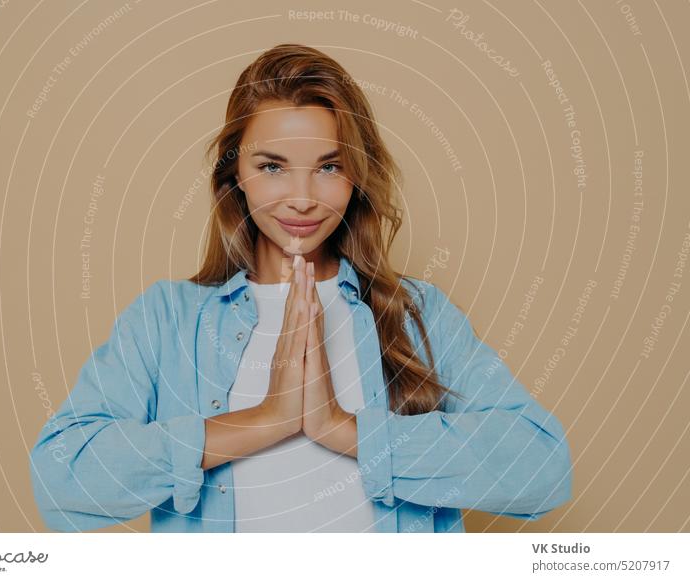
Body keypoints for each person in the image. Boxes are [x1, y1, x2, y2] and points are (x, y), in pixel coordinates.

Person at [29, 43, 572, 533]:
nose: (302, 197)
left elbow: (543, 469)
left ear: (356, 176)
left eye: (328, 166)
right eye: (272, 166)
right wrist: (265, 420)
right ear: (234, 175)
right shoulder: (167, 320)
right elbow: (62, 479)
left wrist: (344, 430)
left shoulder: (416, 314)